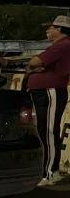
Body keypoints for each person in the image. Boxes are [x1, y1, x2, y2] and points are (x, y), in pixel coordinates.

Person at [27, 15, 70, 186]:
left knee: (49, 130)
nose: (47, 30)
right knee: (43, 130)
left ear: (59, 29)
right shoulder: (58, 46)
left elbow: (35, 61)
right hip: (45, 92)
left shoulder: (63, 45)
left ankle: (51, 172)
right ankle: (47, 170)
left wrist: (34, 66)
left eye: (50, 27)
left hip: (51, 91)